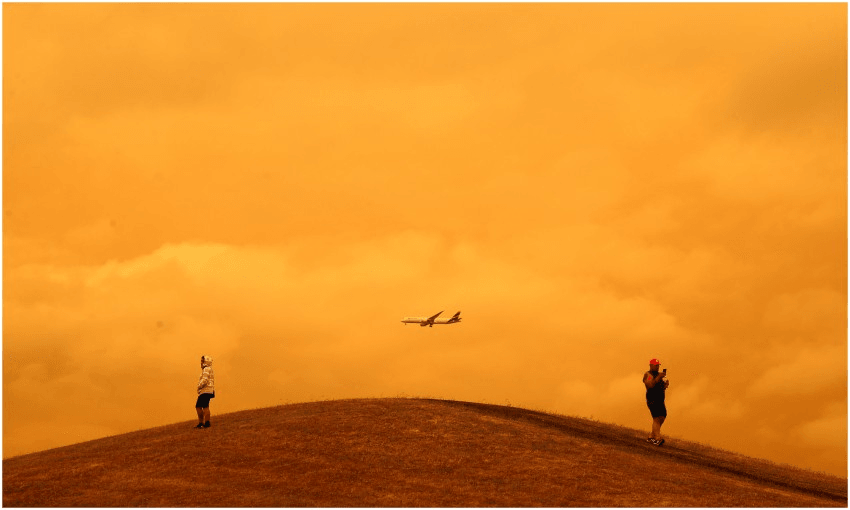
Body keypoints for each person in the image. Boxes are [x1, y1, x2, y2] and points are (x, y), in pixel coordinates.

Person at [643, 358, 669, 446]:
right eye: (656, 365)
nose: (657, 367)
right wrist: (658, 377)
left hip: (660, 400)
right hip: (652, 399)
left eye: (658, 365)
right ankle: (657, 438)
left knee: (662, 416)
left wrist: (665, 385)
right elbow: (650, 385)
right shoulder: (648, 374)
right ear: (651, 365)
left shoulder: (658, 375)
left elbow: (659, 386)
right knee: (657, 418)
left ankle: (652, 436)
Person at [195, 355, 215, 429]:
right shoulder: (210, 369)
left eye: (202, 361)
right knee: (205, 406)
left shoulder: (206, 369)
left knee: (198, 406)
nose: (201, 363)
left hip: (205, 390)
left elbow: (205, 380)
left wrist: (199, 386)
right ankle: (207, 422)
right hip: (210, 390)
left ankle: (201, 423)